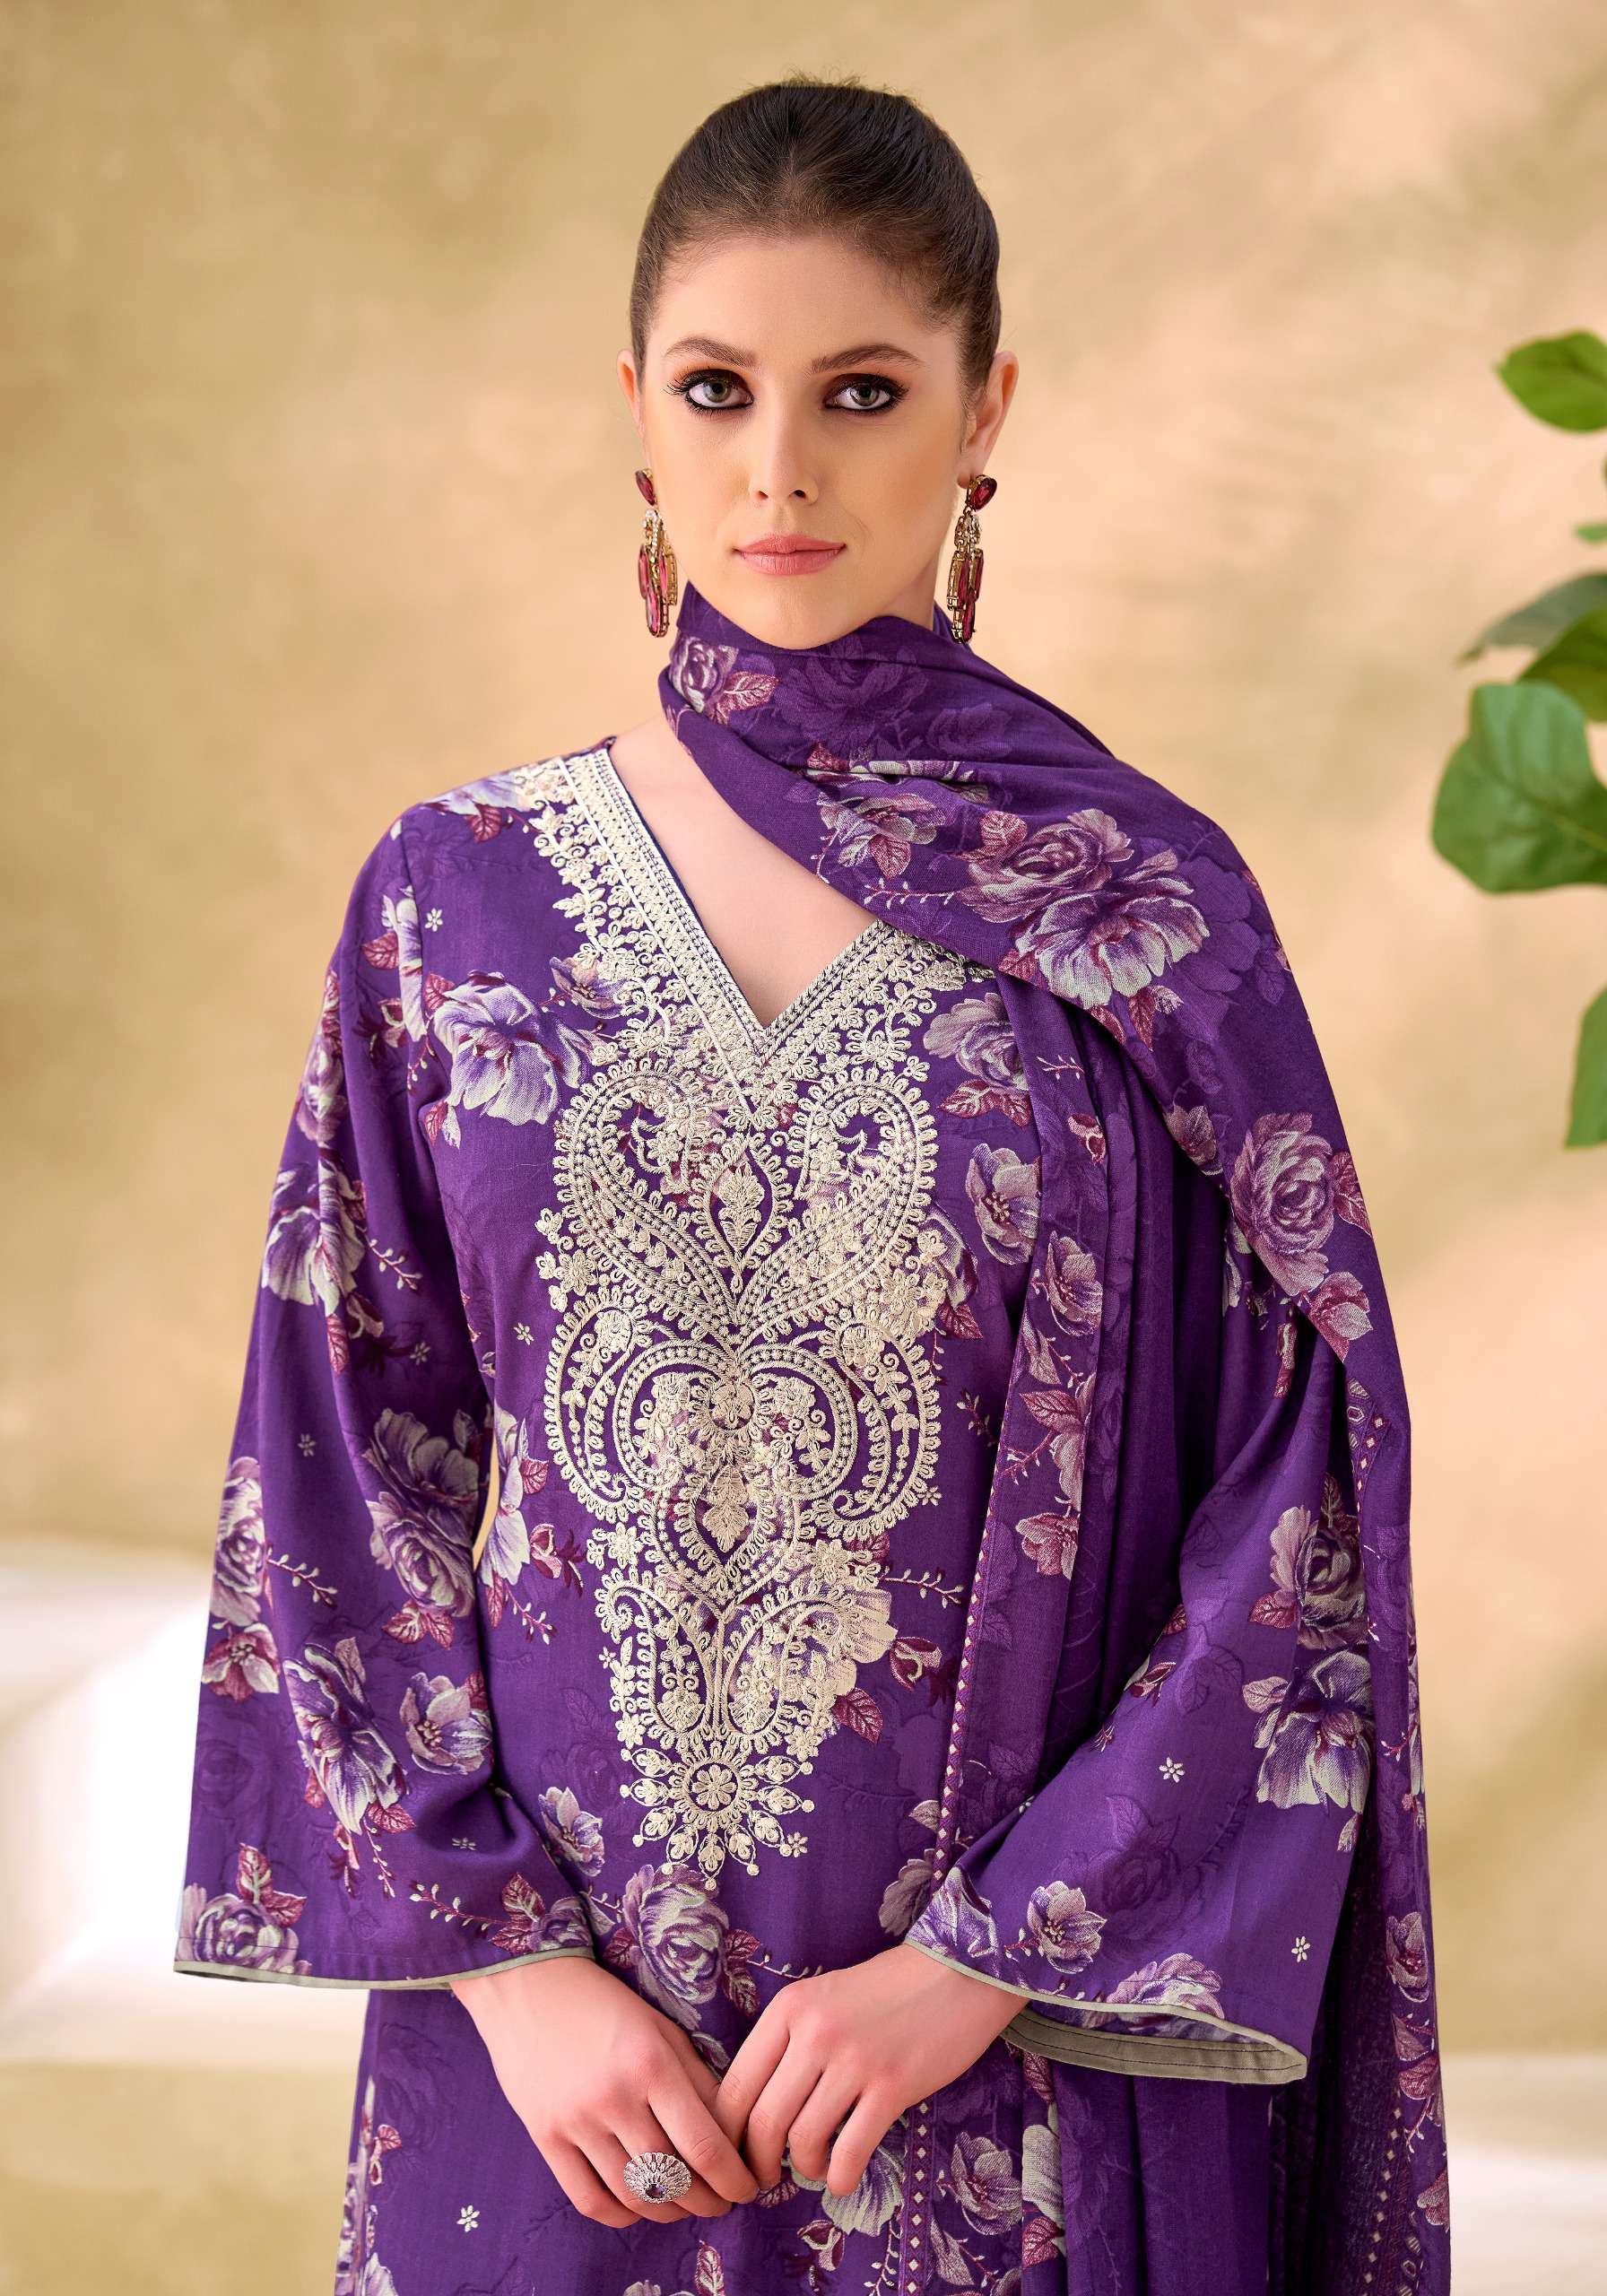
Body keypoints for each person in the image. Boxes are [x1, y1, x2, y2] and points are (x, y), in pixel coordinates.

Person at [170, 71, 1451, 2296]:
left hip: (998, 2078)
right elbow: (338, 1472)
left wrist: (974, 1964)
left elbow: (1295, 1501)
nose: (778, 467)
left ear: (982, 411)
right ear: (635, 415)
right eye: (716, 388)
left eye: (859, 391)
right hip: (566, 2094)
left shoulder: (1129, 916)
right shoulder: (453, 897)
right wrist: (511, 1976)